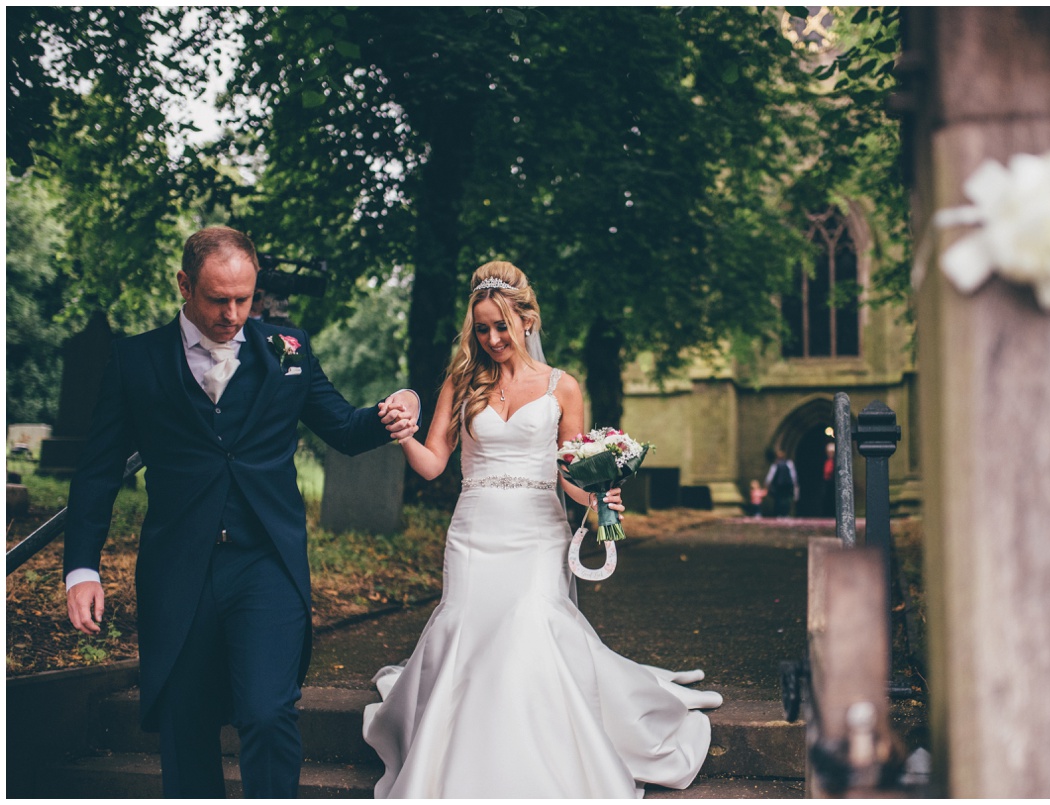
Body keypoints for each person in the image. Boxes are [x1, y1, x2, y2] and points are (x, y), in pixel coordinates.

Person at [63, 226, 420, 798]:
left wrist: (393, 410)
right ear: (184, 284)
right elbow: (99, 471)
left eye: (244, 298)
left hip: (265, 564)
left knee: (268, 712)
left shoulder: (288, 348)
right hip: (180, 566)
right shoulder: (136, 359)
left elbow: (345, 430)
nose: (233, 314)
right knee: (186, 724)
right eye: (217, 299)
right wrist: (81, 567)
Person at [363, 261, 722, 798]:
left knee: (529, 625)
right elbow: (434, 463)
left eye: (501, 326)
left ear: (527, 320)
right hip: (473, 530)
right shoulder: (461, 382)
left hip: (537, 530)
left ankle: (535, 760)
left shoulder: (563, 387)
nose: (491, 338)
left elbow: (569, 475)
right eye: (481, 328)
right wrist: (403, 435)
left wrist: (599, 495)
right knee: (466, 626)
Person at [764, 448, 799, 518]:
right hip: (786, 485)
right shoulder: (789, 463)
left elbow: (770, 475)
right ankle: (785, 513)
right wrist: (794, 483)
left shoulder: (776, 464)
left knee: (780, 499)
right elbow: (793, 475)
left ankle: (781, 513)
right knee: (785, 499)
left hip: (779, 485)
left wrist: (767, 484)